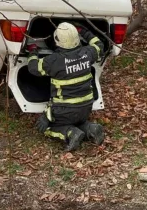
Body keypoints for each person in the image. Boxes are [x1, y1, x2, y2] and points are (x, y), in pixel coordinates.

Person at [27, 22, 106, 151]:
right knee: (78, 121)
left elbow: (33, 67)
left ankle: (70, 133)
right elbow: (99, 45)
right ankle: (90, 128)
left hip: (64, 110)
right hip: (86, 108)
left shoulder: (53, 61)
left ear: (57, 40)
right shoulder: (88, 53)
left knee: (47, 128)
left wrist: (33, 51)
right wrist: (84, 31)